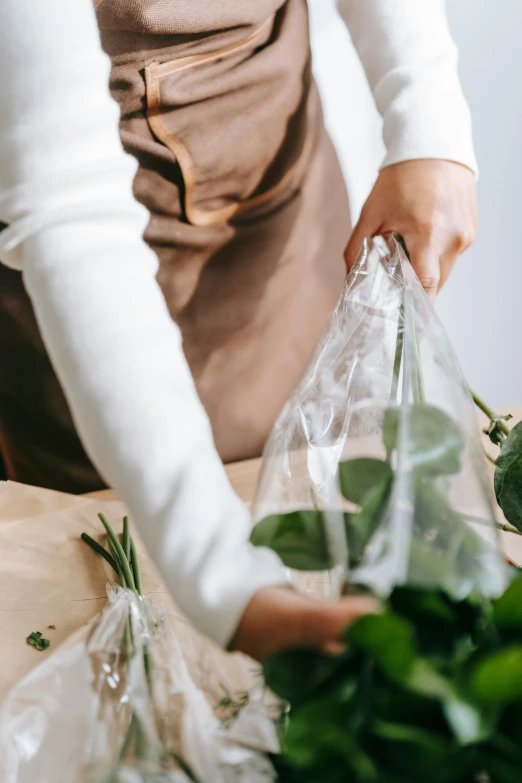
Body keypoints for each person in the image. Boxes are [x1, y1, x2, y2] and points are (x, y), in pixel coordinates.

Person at [0, 0, 477, 659]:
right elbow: (68, 213)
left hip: (286, 239)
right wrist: (223, 583)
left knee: (340, 504)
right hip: (88, 330)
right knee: (116, 601)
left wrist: (426, 120)